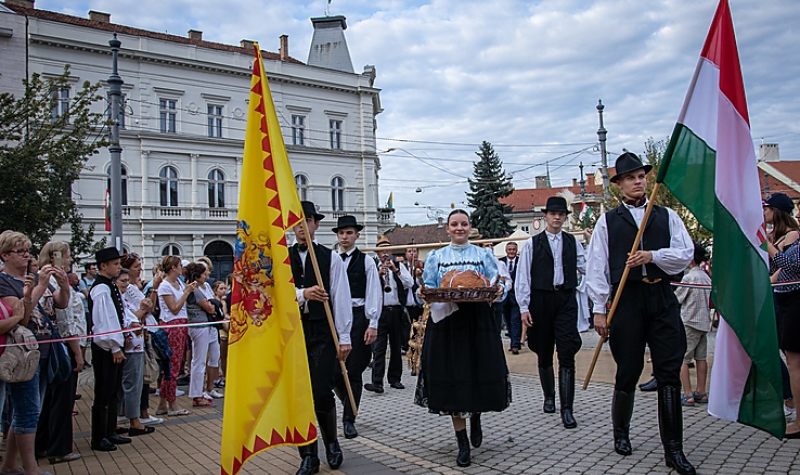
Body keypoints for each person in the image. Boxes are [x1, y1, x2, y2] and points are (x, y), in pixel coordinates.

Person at [586, 152, 695, 475]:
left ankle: (673, 450)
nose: (638, 181)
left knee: (669, 373)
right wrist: (598, 310)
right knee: (628, 370)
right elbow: (596, 267)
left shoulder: (665, 215)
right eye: (631, 177)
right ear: (618, 184)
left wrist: (652, 255)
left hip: (661, 296)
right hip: (627, 300)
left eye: (641, 176)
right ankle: (621, 432)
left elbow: (684, 255)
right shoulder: (607, 221)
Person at [415, 209, 511, 468]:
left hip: (477, 322)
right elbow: (428, 286)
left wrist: (498, 289)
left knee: (477, 374)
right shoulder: (437, 256)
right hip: (447, 323)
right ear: (447, 229)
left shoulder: (483, 255)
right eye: (454, 224)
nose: (459, 228)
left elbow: (499, 283)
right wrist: (424, 292)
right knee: (453, 379)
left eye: (464, 224)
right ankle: (462, 442)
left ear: (470, 227)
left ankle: (476, 414)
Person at [289, 201, 352, 475]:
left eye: (308, 221)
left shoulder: (331, 257)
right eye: (297, 221)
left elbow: (340, 297)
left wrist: (345, 336)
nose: (303, 226)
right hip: (292, 333)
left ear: (315, 224)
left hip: (323, 332)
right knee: (298, 395)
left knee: (320, 390)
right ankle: (308, 455)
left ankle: (332, 442)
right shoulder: (280, 258)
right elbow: (275, 296)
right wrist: (303, 294)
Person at [516, 196, 585, 429]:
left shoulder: (573, 242)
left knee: (567, 351)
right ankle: (549, 396)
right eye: (553, 213)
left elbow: (587, 267)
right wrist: (523, 306)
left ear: (565, 217)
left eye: (561, 214)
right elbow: (523, 276)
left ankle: (567, 409)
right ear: (545, 216)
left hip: (565, 299)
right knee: (544, 351)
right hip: (540, 299)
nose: (557, 217)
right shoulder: (532, 244)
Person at [0, 230, 52, 475]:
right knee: (28, 410)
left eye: (27, 251)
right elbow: (21, 316)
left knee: (27, 410)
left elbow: (55, 307)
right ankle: (30, 467)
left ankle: (10, 464)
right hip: (18, 353)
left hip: (38, 349)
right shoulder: (4, 281)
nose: (26, 256)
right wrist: (39, 286)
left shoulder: (29, 278)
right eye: (19, 251)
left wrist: (56, 285)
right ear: (5, 255)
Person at [332, 215, 381, 439]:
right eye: (341, 233)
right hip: (333, 317)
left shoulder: (367, 261)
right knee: (333, 371)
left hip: (359, 316)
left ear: (357, 235)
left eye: (349, 233)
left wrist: (373, 323)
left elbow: (373, 292)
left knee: (354, 370)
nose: (345, 237)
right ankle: (347, 400)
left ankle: (349, 418)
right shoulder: (331, 259)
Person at [89, 246, 142, 452]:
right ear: (104, 266)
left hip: (114, 345)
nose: (118, 267)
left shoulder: (109, 286)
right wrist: (113, 347)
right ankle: (98, 436)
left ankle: (109, 430)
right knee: (103, 391)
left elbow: (118, 316)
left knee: (112, 391)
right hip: (105, 348)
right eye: (115, 264)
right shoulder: (101, 288)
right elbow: (105, 320)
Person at [34, 241, 83, 464]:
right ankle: (59, 447)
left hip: (52, 346)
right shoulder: (56, 283)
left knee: (48, 400)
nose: (70, 259)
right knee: (62, 400)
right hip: (61, 346)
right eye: (67, 255)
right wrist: (77, 352)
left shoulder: (45, 280)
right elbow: (66, 321)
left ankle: (42, 444)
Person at [765, 194, 800, 439]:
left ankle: (797, 417)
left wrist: (765, 243)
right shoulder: (782, 237)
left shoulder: (794, 236)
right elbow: (780, 273)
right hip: (784, 300)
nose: (764, 213)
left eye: (767, 208)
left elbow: (788, 265)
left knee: (794, 362)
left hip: (795, 303)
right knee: (788, 358)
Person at [675, 243, 712, 406]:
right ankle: (701, 391)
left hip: (689, 322)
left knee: (682, 358)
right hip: (704, 322)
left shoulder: (689, 277)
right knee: (701, 358)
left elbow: (678, 298)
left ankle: (688, 394)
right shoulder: (705, 276)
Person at [184, 262, 221, 407]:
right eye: (204, 273)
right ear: (197, 275)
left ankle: (205, 390)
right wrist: (212, 306)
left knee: (210, 357)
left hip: (207, 326)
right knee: (199, 360)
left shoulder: (202, 287)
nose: (207, 276)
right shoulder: (194, 289)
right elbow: (209, 307)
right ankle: (196, 394)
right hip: (199, 325)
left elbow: (213, 304)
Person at [400, 246, 424, 354]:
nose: (412, 254)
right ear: (406, 254)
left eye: (414, 251)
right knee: (406, 328)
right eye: (409, 251)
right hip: (407, 302)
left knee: (418, 328)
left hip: (418, 303)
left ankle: (418, 348)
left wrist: (419, 277)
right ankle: (406, 347)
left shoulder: (422, 266)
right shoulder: (402, 267)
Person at [499, 242, 522, 353]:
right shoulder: (500, 262)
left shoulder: (521, 261)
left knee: (515, 320)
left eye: (513, 249)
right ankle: (513, 340)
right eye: (509, 249)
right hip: (504, 296)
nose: (512, 251)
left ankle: (515, 345)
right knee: (508, 320)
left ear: (516, 250)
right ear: (506, 250)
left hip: (517, 295)